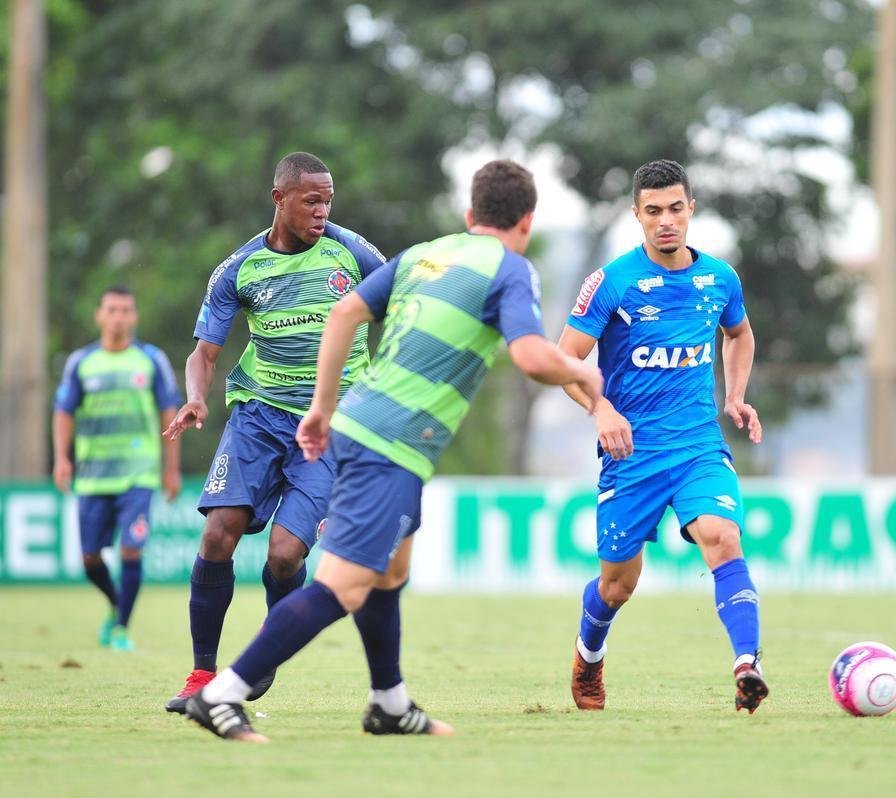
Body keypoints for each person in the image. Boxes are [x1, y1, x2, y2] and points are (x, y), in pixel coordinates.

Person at [184, 159, 603, 742]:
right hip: (391, 441)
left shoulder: (425, 255)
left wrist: (321, 408)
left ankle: (389, 702)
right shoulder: (511, 269)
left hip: (362, 424)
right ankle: (222, 693)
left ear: (470, 213)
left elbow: (345, 313)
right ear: (527, 222)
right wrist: (587, 377)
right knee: (343, 586)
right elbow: (532, 357)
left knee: (390, 572)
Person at [162, 152, 387, 713]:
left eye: (328, 200)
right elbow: (203, 354)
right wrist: (196, 397)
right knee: (218, 535)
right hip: (259, 416)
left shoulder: (352, 253)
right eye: (311, 200)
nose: (322, 211)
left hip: (331, 424)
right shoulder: (239, 269)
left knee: (285, 556)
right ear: (278, 199)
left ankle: (264, 655)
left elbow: (404, 305)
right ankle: (201, 673)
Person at [557, 159, 767, 713]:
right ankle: (589, 655)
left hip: (698, 444)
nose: (666, 220)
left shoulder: (720, 278)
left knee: (722, 535)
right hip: (631, 453)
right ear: (637, 215)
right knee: (617, 586)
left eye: (676, 208)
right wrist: (601, 408)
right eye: (653, 211)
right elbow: (565, 360)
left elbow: (739, 334)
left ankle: (747, 665)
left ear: (691, 209)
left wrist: (735, 395)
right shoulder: (611, 282)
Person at [53, 286, 181, 652]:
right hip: (93, 476)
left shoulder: (151, 359)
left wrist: (170, 469)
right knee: (90, 558)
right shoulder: (81, 362)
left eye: (125, 310)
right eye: (112, 310)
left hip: (138, 474)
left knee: (131, 549)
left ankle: (123, 627)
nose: (118, 317)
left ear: (134, 316)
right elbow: (63, 411)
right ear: (99, 315)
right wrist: (62, 457)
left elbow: (169, 413)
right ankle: (115, 603)